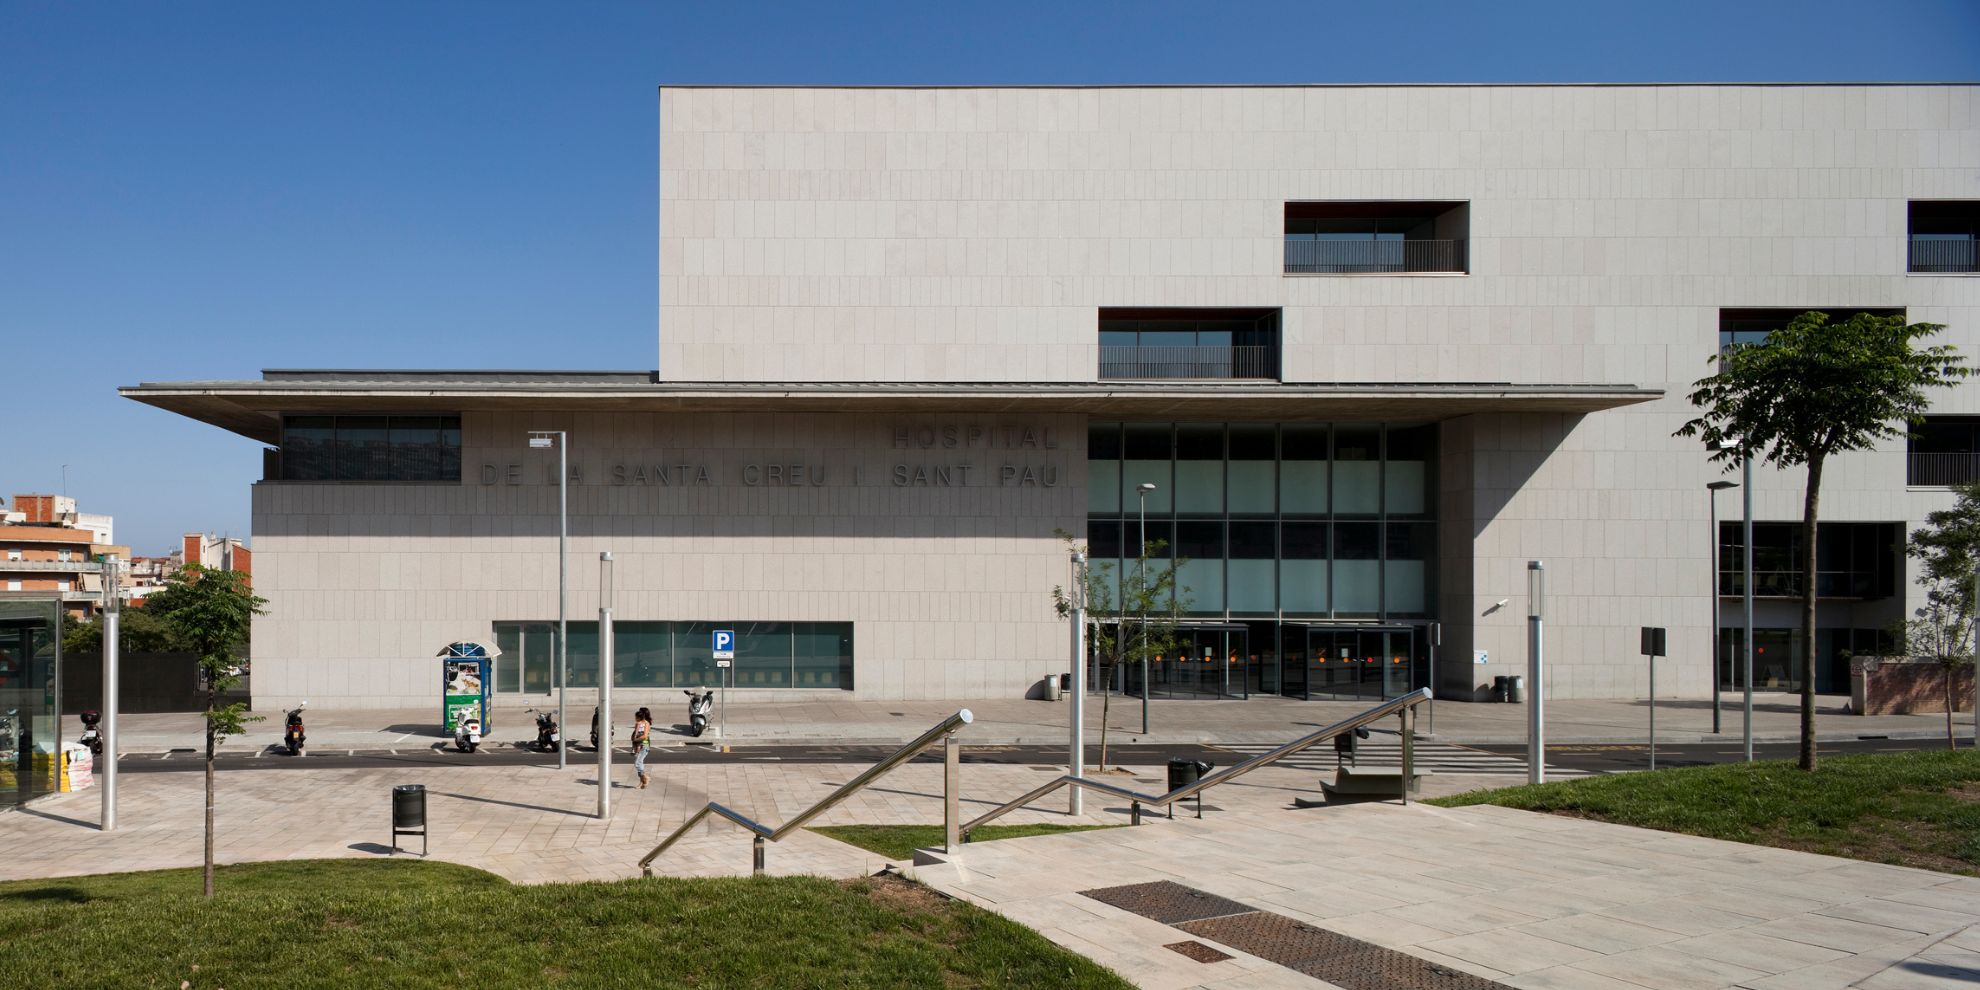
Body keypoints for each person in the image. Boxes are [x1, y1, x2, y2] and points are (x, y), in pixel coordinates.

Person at [630, 707, 652, 789]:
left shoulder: (646, 723)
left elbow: (645, 736)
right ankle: (642, 781)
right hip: (637, 745)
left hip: (644, 745)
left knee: (637, 763)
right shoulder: (639, 723)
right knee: (640, 763)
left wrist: (635, 739)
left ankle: (646, 777)